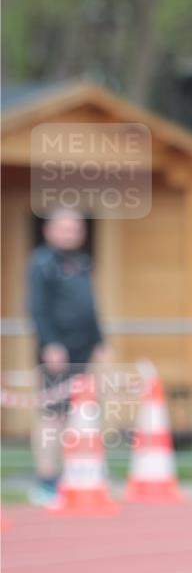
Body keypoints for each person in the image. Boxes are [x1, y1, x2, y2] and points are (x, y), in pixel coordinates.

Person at [27, 208, 110, 506]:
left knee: (83, 413)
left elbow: (91, 306)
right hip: (56, 351)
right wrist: (50, 343)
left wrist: (100, 342)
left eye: (75, 229)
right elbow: (36, 307)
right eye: (64, 229)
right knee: (53, 414)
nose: (70, 234)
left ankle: (77, 474)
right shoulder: (42, 263)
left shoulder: (82, 262)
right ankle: (46, 481)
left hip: (85, 349)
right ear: (49, 231)